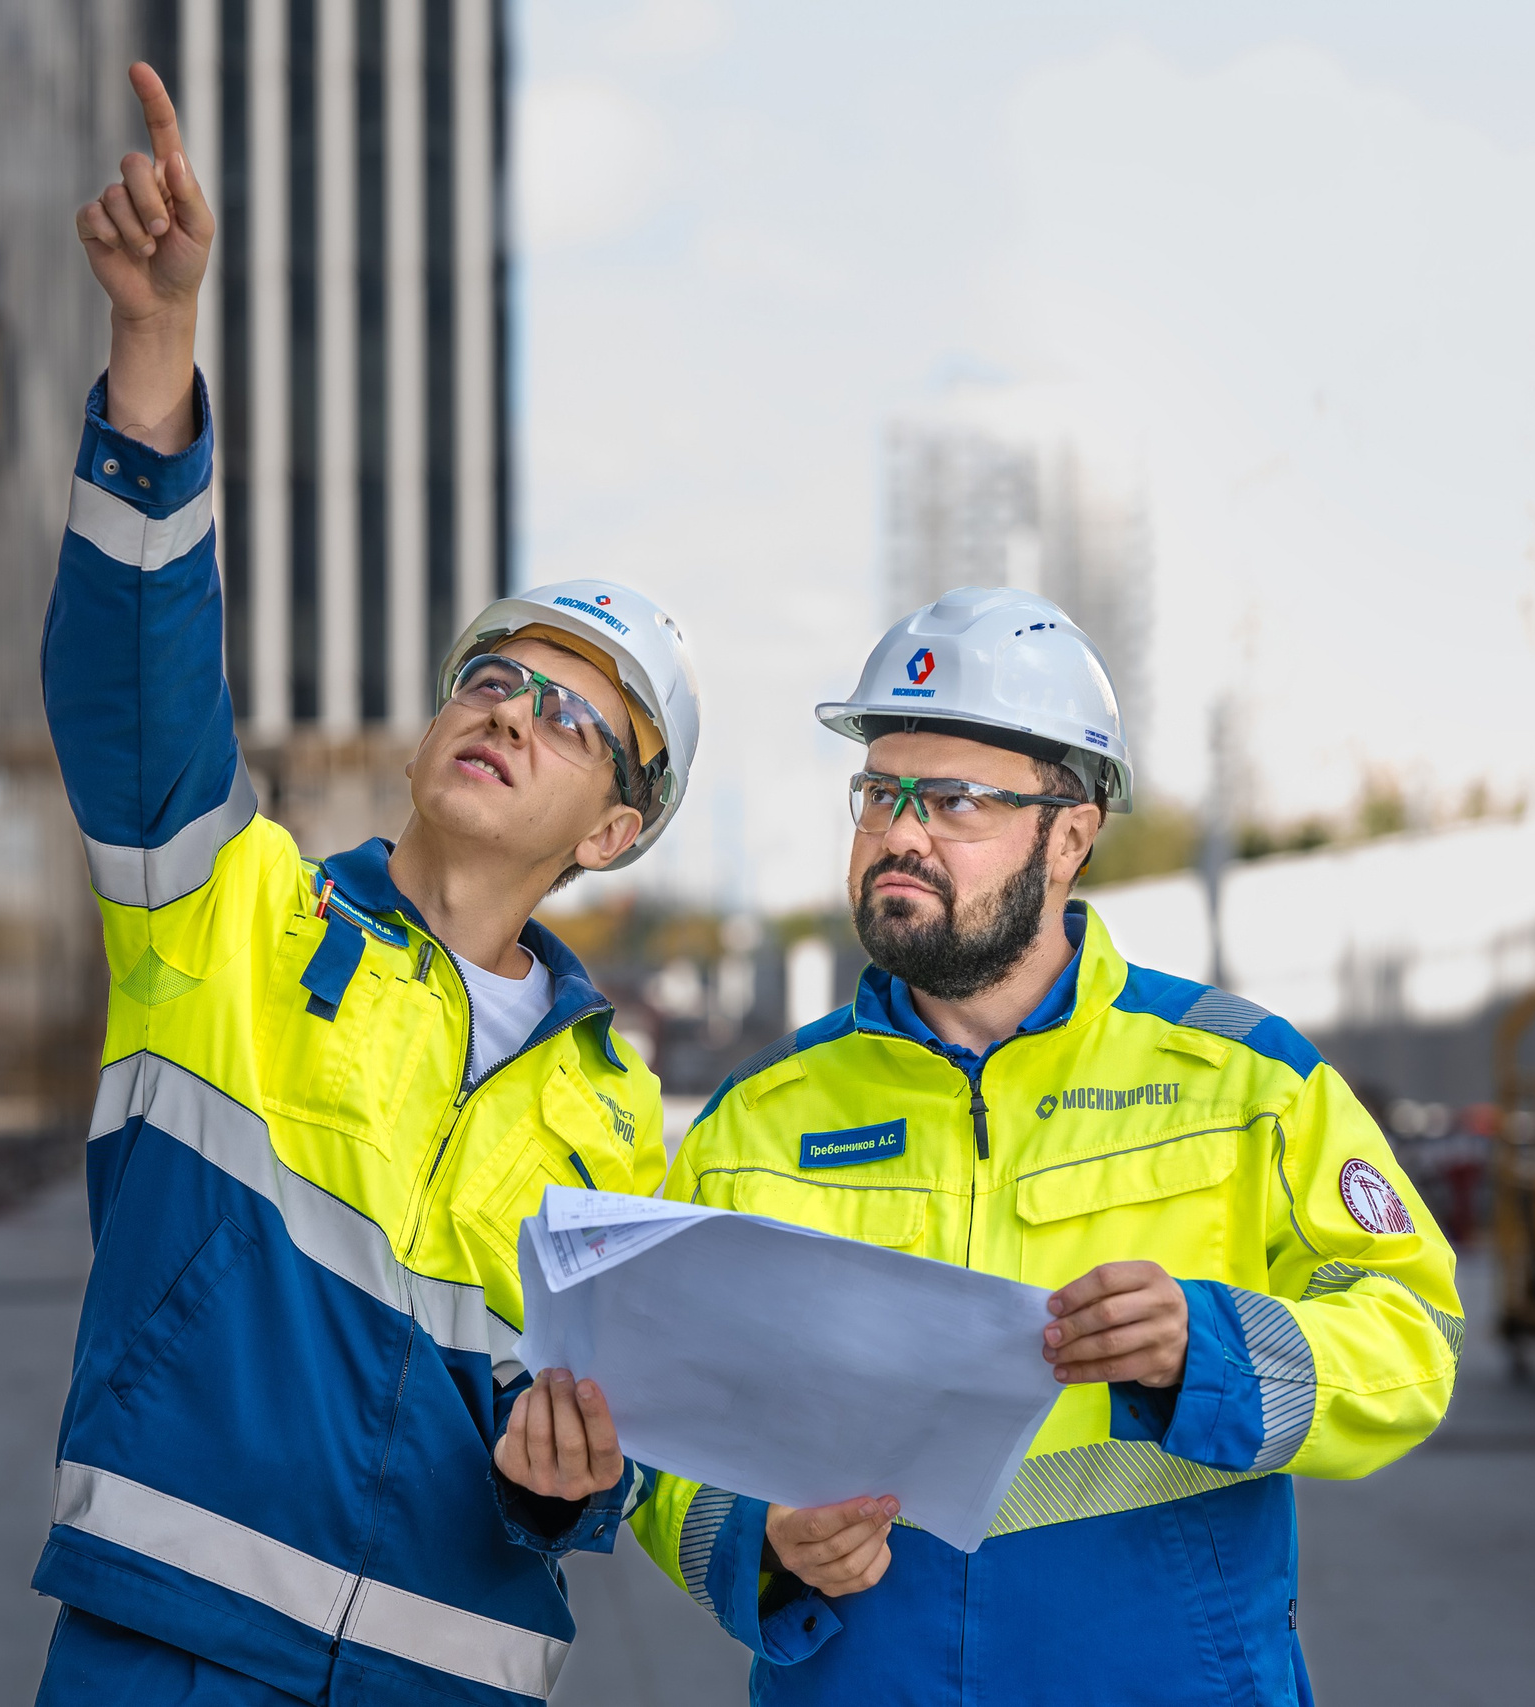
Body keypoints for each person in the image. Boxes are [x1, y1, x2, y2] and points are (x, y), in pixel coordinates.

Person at [30, 65, 702, 1707]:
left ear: (609, 833)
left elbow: (595, 1438)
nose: (507, 711)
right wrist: (156, 348)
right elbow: (135, 683)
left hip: (448, 1674)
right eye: (492, 676)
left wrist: (572, 1476)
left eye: (568, 715)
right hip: (172, 1647)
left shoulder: (616, 1114)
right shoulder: (234, 915)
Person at [521, 585, 1461, 1704]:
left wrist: (1204, 1348)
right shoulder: (755, 1119)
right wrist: (763, 1548)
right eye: (880, 793)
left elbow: (1412, 1343)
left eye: (955, 801)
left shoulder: (1246, 1078)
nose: (899, 834)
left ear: (1069, 836)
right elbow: (664, 1439)